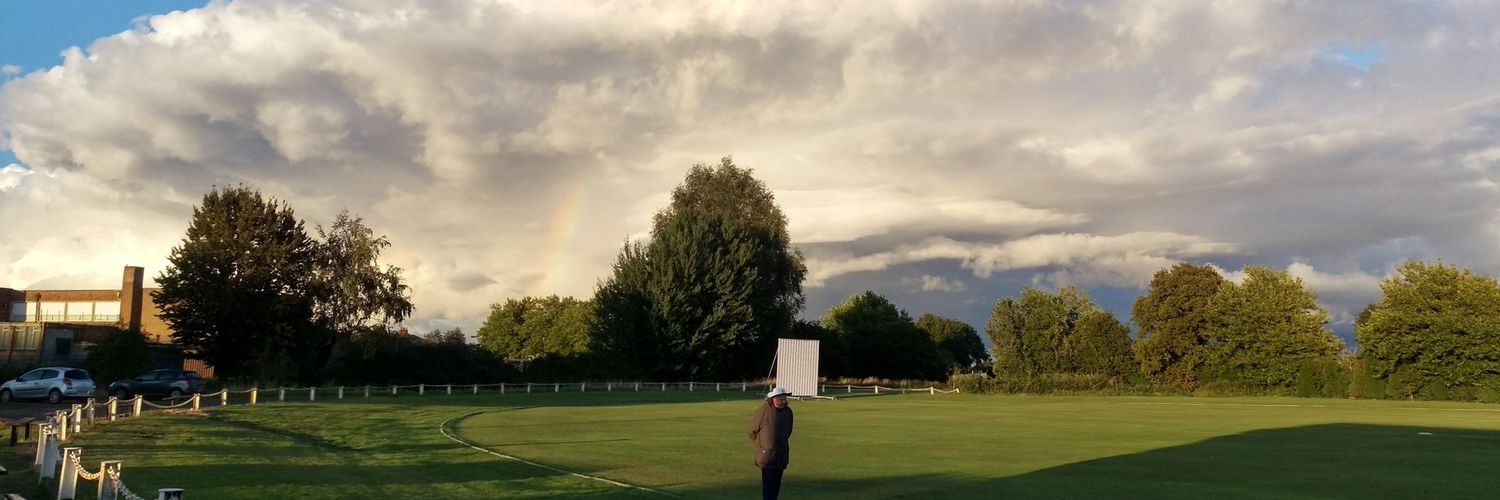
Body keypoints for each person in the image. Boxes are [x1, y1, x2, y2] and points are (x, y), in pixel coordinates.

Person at [748, 386, 794, 500]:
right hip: (767, 456)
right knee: (769, 487)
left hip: (781, 455)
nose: (784, 401)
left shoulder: (788, 412)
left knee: (776, 486)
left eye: (784, 399)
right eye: (781, 399)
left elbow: (788, 431)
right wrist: (763, 444)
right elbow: (752, 431)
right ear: (773, 398)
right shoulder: (763, 410)